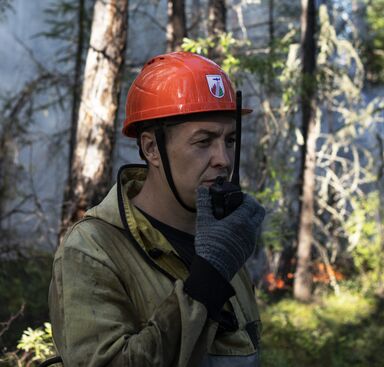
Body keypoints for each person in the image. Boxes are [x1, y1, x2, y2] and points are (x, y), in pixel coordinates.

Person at [48, 52, 266, 366]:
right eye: (203, 141)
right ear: (152, 148)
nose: (223, 159)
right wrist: (206, 283)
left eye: (230, 140)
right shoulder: (93, 249)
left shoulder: (223, 238)